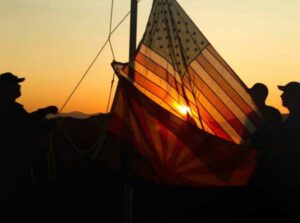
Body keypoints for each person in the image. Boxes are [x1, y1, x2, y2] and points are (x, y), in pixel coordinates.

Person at [0, 72, 58, 221]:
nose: (19, 86)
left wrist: (44, 112)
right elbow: (26, 131)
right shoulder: (10, 111)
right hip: (14, 170)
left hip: (14, 167)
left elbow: (26, 122)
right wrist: (47, 125)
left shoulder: (11, 109)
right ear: (7, 88)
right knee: (16, 206)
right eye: (16, 84)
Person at [275, 81, 300, 220]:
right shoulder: (292, 119)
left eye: (285, 92)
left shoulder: (295, 121)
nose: (281, 95)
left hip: (291, 181)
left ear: (294, 96)